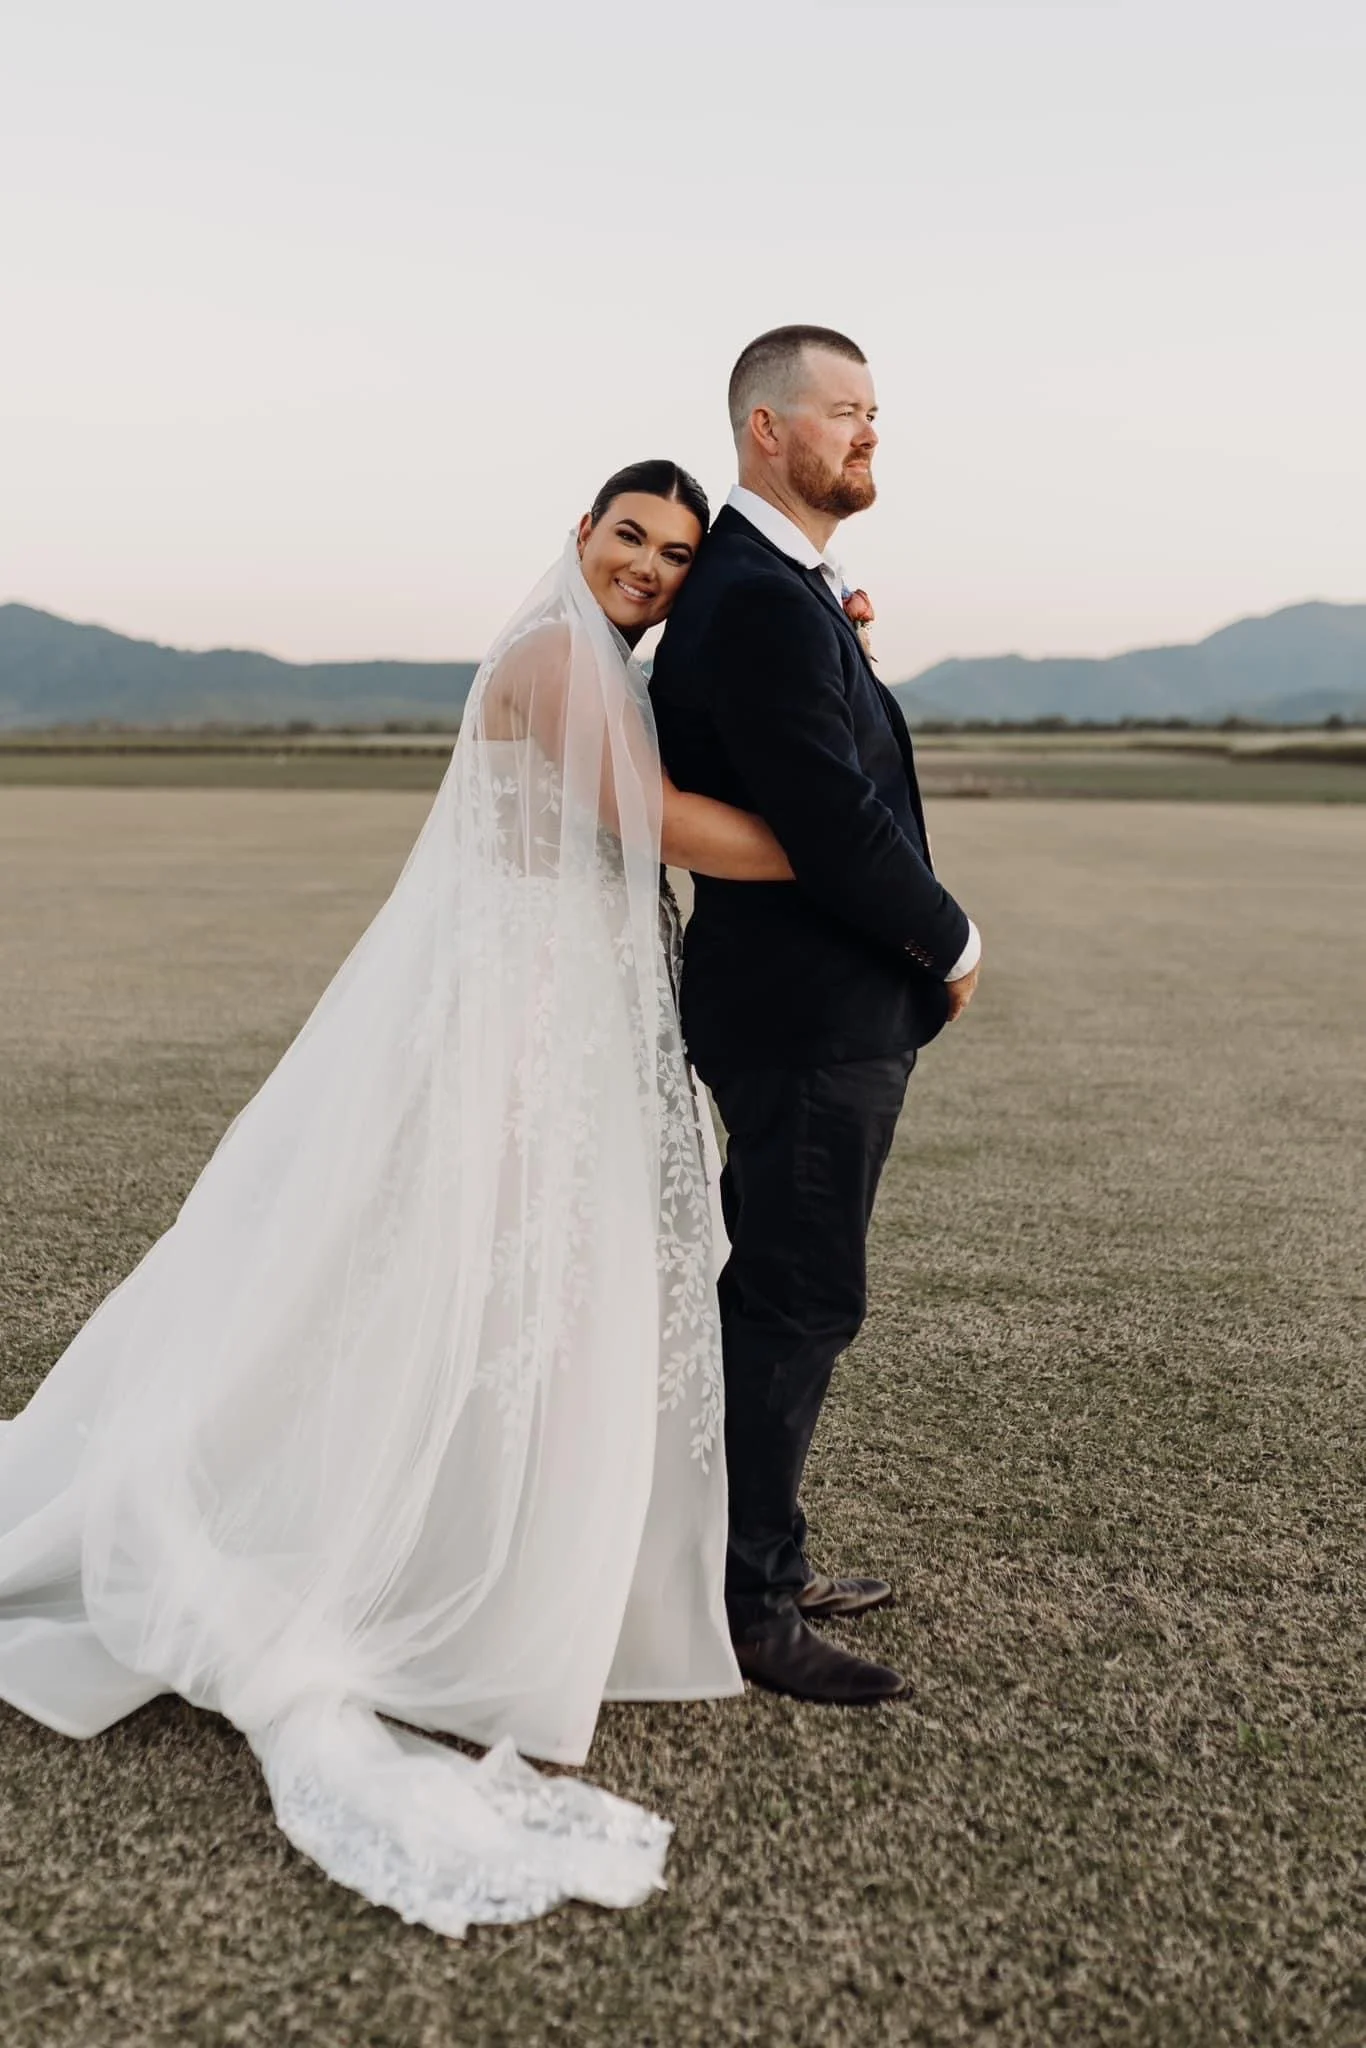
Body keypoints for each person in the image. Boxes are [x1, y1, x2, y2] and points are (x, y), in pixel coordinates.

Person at [0, 461, 792, 1939]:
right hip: (517, 1027)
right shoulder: (558, 657)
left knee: (521, 1300)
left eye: (679, 554)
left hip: (564, 1021)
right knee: (480, 1287)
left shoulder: (607, 665)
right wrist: (847, 840)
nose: (648, 567)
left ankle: (511, 1561)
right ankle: (454, 1571)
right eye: (629, 536)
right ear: (580, 536)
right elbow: (664, 827)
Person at [650, 327, 982, 1706]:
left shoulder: (782, 589)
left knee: (781, 1295)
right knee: (794, 1299)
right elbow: (829, 820)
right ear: (764, 431)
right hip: (802, 1013)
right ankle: (746, 1607)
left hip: (817, 1009)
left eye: (873, 413)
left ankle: (748, 1553)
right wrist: (949, 936)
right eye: (843, 412)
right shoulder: (751, 595)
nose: (867, 434)